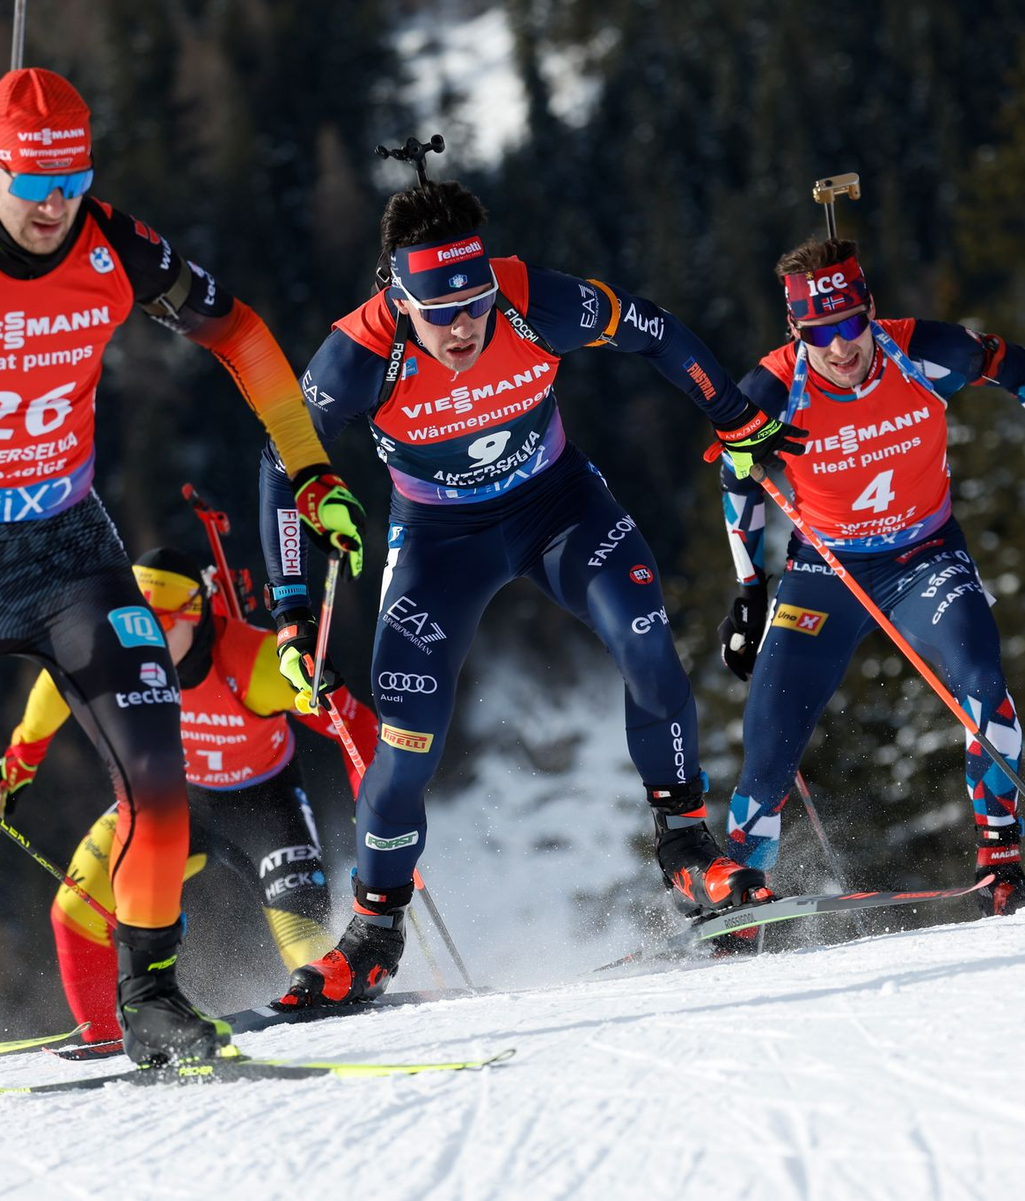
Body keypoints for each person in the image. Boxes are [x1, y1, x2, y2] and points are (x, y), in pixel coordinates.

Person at [0, 67, 364, 1066]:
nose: (54, 203)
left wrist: (310, 466)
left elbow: (239, 332)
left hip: (66, 550)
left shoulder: (114, 243)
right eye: (32, 180)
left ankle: (151, 1001)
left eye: (71, 177)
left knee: (157, 775)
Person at [257, 175, 807, 1007]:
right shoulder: (358, 355)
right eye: (438, 312)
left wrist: (730, 412)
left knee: (648, 647)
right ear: (397, 298)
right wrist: (292, 611)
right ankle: (372, 933)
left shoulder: (529, 301)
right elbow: (279, 460)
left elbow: (650, 328)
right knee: (406, 742)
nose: (463, 326)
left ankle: (689, 849)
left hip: (558, 506)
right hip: (440, 544)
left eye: (474, 302)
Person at [717, 235, 1024, 918]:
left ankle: (1001, 856)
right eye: (819, 332)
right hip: (823, 571)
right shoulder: (772, 389)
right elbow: (734, 474)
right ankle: (740, 896)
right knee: (768, 742)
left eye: (852, 323)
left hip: (925, 558)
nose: (840, 347)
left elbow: (1007, 364)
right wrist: (748, 589)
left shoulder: (924, 352)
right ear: (795, 330)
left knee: (981, 680)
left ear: (871, 309)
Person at [0, 547, 378, 1042]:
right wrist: (21, 760)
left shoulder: (253, 663)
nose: (143, 644)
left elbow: (354, 721)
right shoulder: (120, 647)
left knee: (304, 944)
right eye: (136, 627)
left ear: (196, 614)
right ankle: (107, 1037)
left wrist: (375, 806)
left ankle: (342, 1013)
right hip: (172, 800)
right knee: (76, 910)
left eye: (161, 627)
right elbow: (58, 683)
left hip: (263, 808)